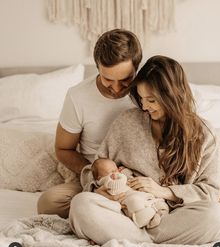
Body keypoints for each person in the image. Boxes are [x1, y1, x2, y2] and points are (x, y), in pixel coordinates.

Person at [69, 55, 220, 245]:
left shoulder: (203, 133)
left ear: (172, 97)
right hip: (126, 214)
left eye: (151, 100)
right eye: (141, 98)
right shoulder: (127, 122)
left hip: (175, 217)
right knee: (81, 205)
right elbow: (94, 168)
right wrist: (101, 188)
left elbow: (210, 191)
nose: (145, 106)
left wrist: (164, 192)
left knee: (216, 215)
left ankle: (131, 240)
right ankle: (143, 240)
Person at [37, 29, 143, 218]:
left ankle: (111, 208)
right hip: (95, 178)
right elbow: (63, 148)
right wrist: (95, 177)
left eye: (126, 79)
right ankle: (119, 208)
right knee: (48, 203)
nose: (117, 88)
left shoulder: (149, 92)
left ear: (137, 67)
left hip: (141, 177)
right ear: (97, 67)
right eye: (108, 79)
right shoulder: (78, 96)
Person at [88, 158, 169, 228]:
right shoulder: (107, 182)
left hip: (143, 194)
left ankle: (160, 211)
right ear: (100, 178)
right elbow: (104, 187)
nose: (116, 172)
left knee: (159, 200)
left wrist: (125, 171)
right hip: (129, 200)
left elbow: (128, 175)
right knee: (135, 203)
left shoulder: (122, 174)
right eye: (112, 171)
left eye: (116, 169)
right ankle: (149, 217)